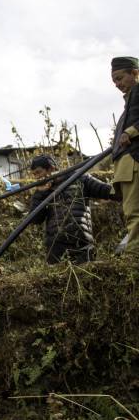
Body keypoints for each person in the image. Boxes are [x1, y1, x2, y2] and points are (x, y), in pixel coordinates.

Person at [26, 154, 114, 264]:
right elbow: (35, 220)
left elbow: (109, 191)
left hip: (82, 243)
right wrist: (40, 193)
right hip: (56, 246)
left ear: (51, 168)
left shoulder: (80, 178)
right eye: (34, 174)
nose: (36, 177)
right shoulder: (42, 191)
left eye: (39, 172)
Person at [111, 56, 139, 254]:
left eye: (120, 78)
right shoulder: (129, 101)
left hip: (133, 160)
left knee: (134, 212)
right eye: (114, 81)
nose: (117, 84)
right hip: (127, 162)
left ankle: (134, 255)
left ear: (135, 73)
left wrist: (130, 132)